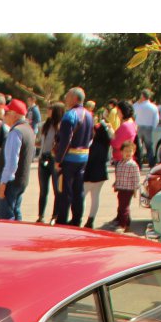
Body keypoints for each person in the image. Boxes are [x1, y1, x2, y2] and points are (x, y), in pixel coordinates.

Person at [53, 90, 95, 226]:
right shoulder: (89, 115)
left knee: (66, 191)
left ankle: (62, 220)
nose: (65, 98)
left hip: (69, 159)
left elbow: (65, 141)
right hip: (83, 158)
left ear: (75, 98)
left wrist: (59, 159)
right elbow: (91, 137)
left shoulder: (69, 116)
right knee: (78, 190)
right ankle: (77, 219)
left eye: (68, 95)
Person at [0, 99, 36, 221]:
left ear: (14, 115)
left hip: (11, 182)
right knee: (16, 211)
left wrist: (3, 183)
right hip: (22, 180)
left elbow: (12, 161)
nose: (4, 116)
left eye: (7, 113)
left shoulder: (16, 132)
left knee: (7, 216)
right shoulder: (28, 129)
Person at [83, 109, 113, 228]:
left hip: (90, 174)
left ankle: (80, 217)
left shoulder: (93, 145)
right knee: (95, 197)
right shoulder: (105, 144)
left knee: (82, 195)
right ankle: (91, 219)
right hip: (101, 174)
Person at [36, 102, 65, 223]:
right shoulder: (44, 125)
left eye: (50, 109)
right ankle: (41, 215)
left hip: (54, 159)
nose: (48, 111)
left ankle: (55, 216)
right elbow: (39, 141)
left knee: (57, 189)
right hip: (43, 157)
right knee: (43, 190)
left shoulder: (62, 126)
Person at [112, 140, 139, 233]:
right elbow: (118, 175)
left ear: (133, 152)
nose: (128, 153)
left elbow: (136, 178)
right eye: (126, 151)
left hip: (128, 189)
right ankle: (126, 222)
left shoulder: (133, 165)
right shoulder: (120, 163)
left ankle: (122, 225)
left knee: (124, 207)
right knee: (121, 206)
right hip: (121, 188)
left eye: (130, 151)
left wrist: (135, 190)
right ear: (121, 152)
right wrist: (115, 184)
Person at [132, 90, 159, 167]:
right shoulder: (154, 107)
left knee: (138, 147)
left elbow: (133, 112)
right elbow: (156, 119)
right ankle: (151, 164)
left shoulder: (138, 106)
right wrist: (153, 127)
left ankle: (139, 164)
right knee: (149, 147)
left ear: (142, 96)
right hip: (149, 127)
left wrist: (138, 102)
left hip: (139, 127)